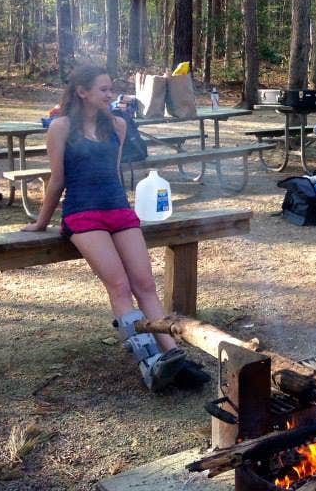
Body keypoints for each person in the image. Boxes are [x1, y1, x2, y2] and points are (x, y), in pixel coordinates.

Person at [22, 64, 209, 391]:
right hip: (83, 213)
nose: (111, 95)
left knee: (145, 284)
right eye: (104, 90)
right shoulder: (60, 127)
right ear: (82, 92)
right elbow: (57, 181)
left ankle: (175, 357)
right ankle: (150, 362)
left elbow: (113, 171)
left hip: (118, 209)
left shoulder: (119, 125)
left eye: (111, 89)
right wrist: (41, 222)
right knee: (120, 286)